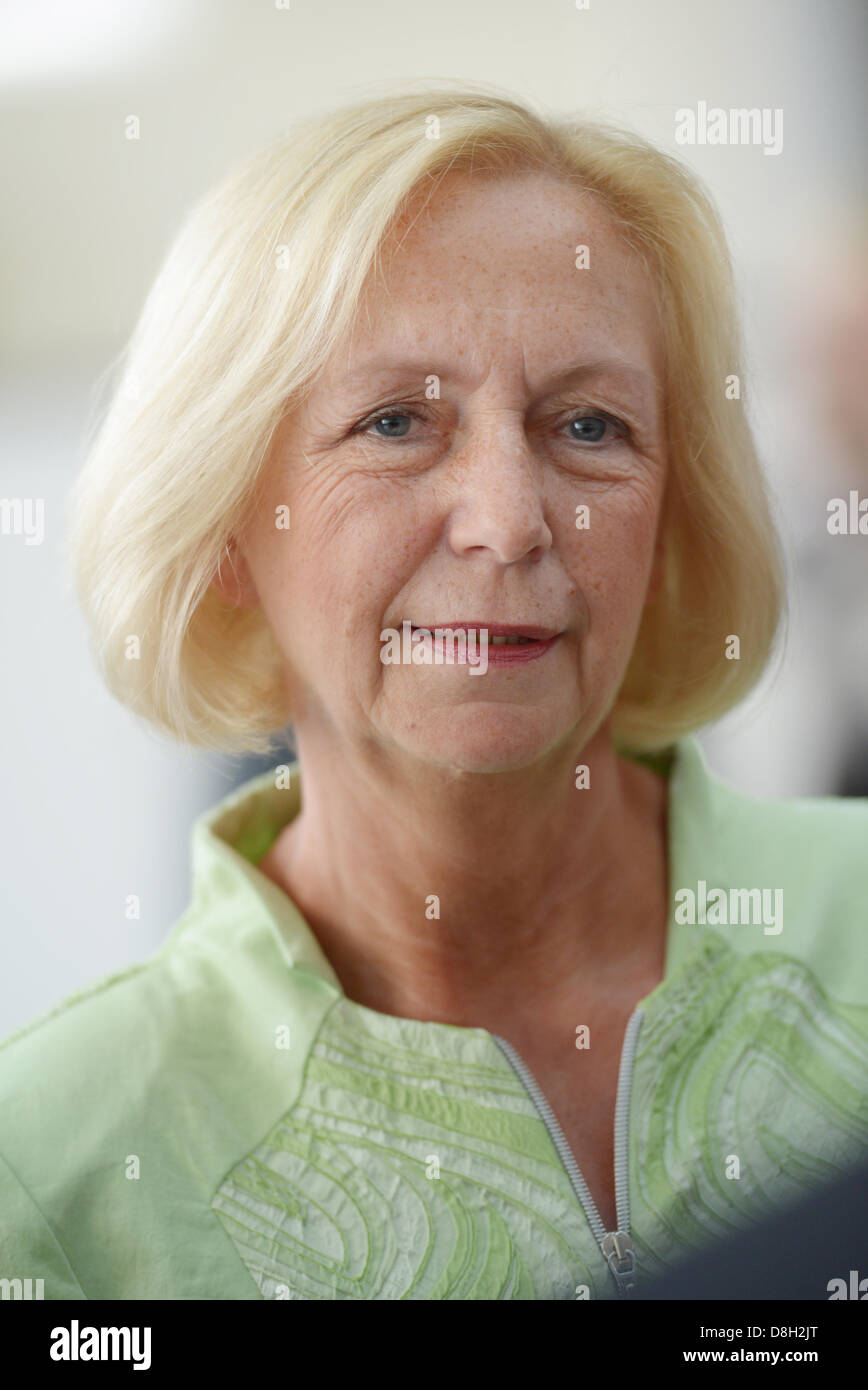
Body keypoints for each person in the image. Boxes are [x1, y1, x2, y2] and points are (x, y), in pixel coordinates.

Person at [1, 83, 866, 1302]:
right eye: (397, 421)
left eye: (590, 425)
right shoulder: (49, 1168)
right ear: (226, 529)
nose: (510, 521)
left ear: (673, 516)